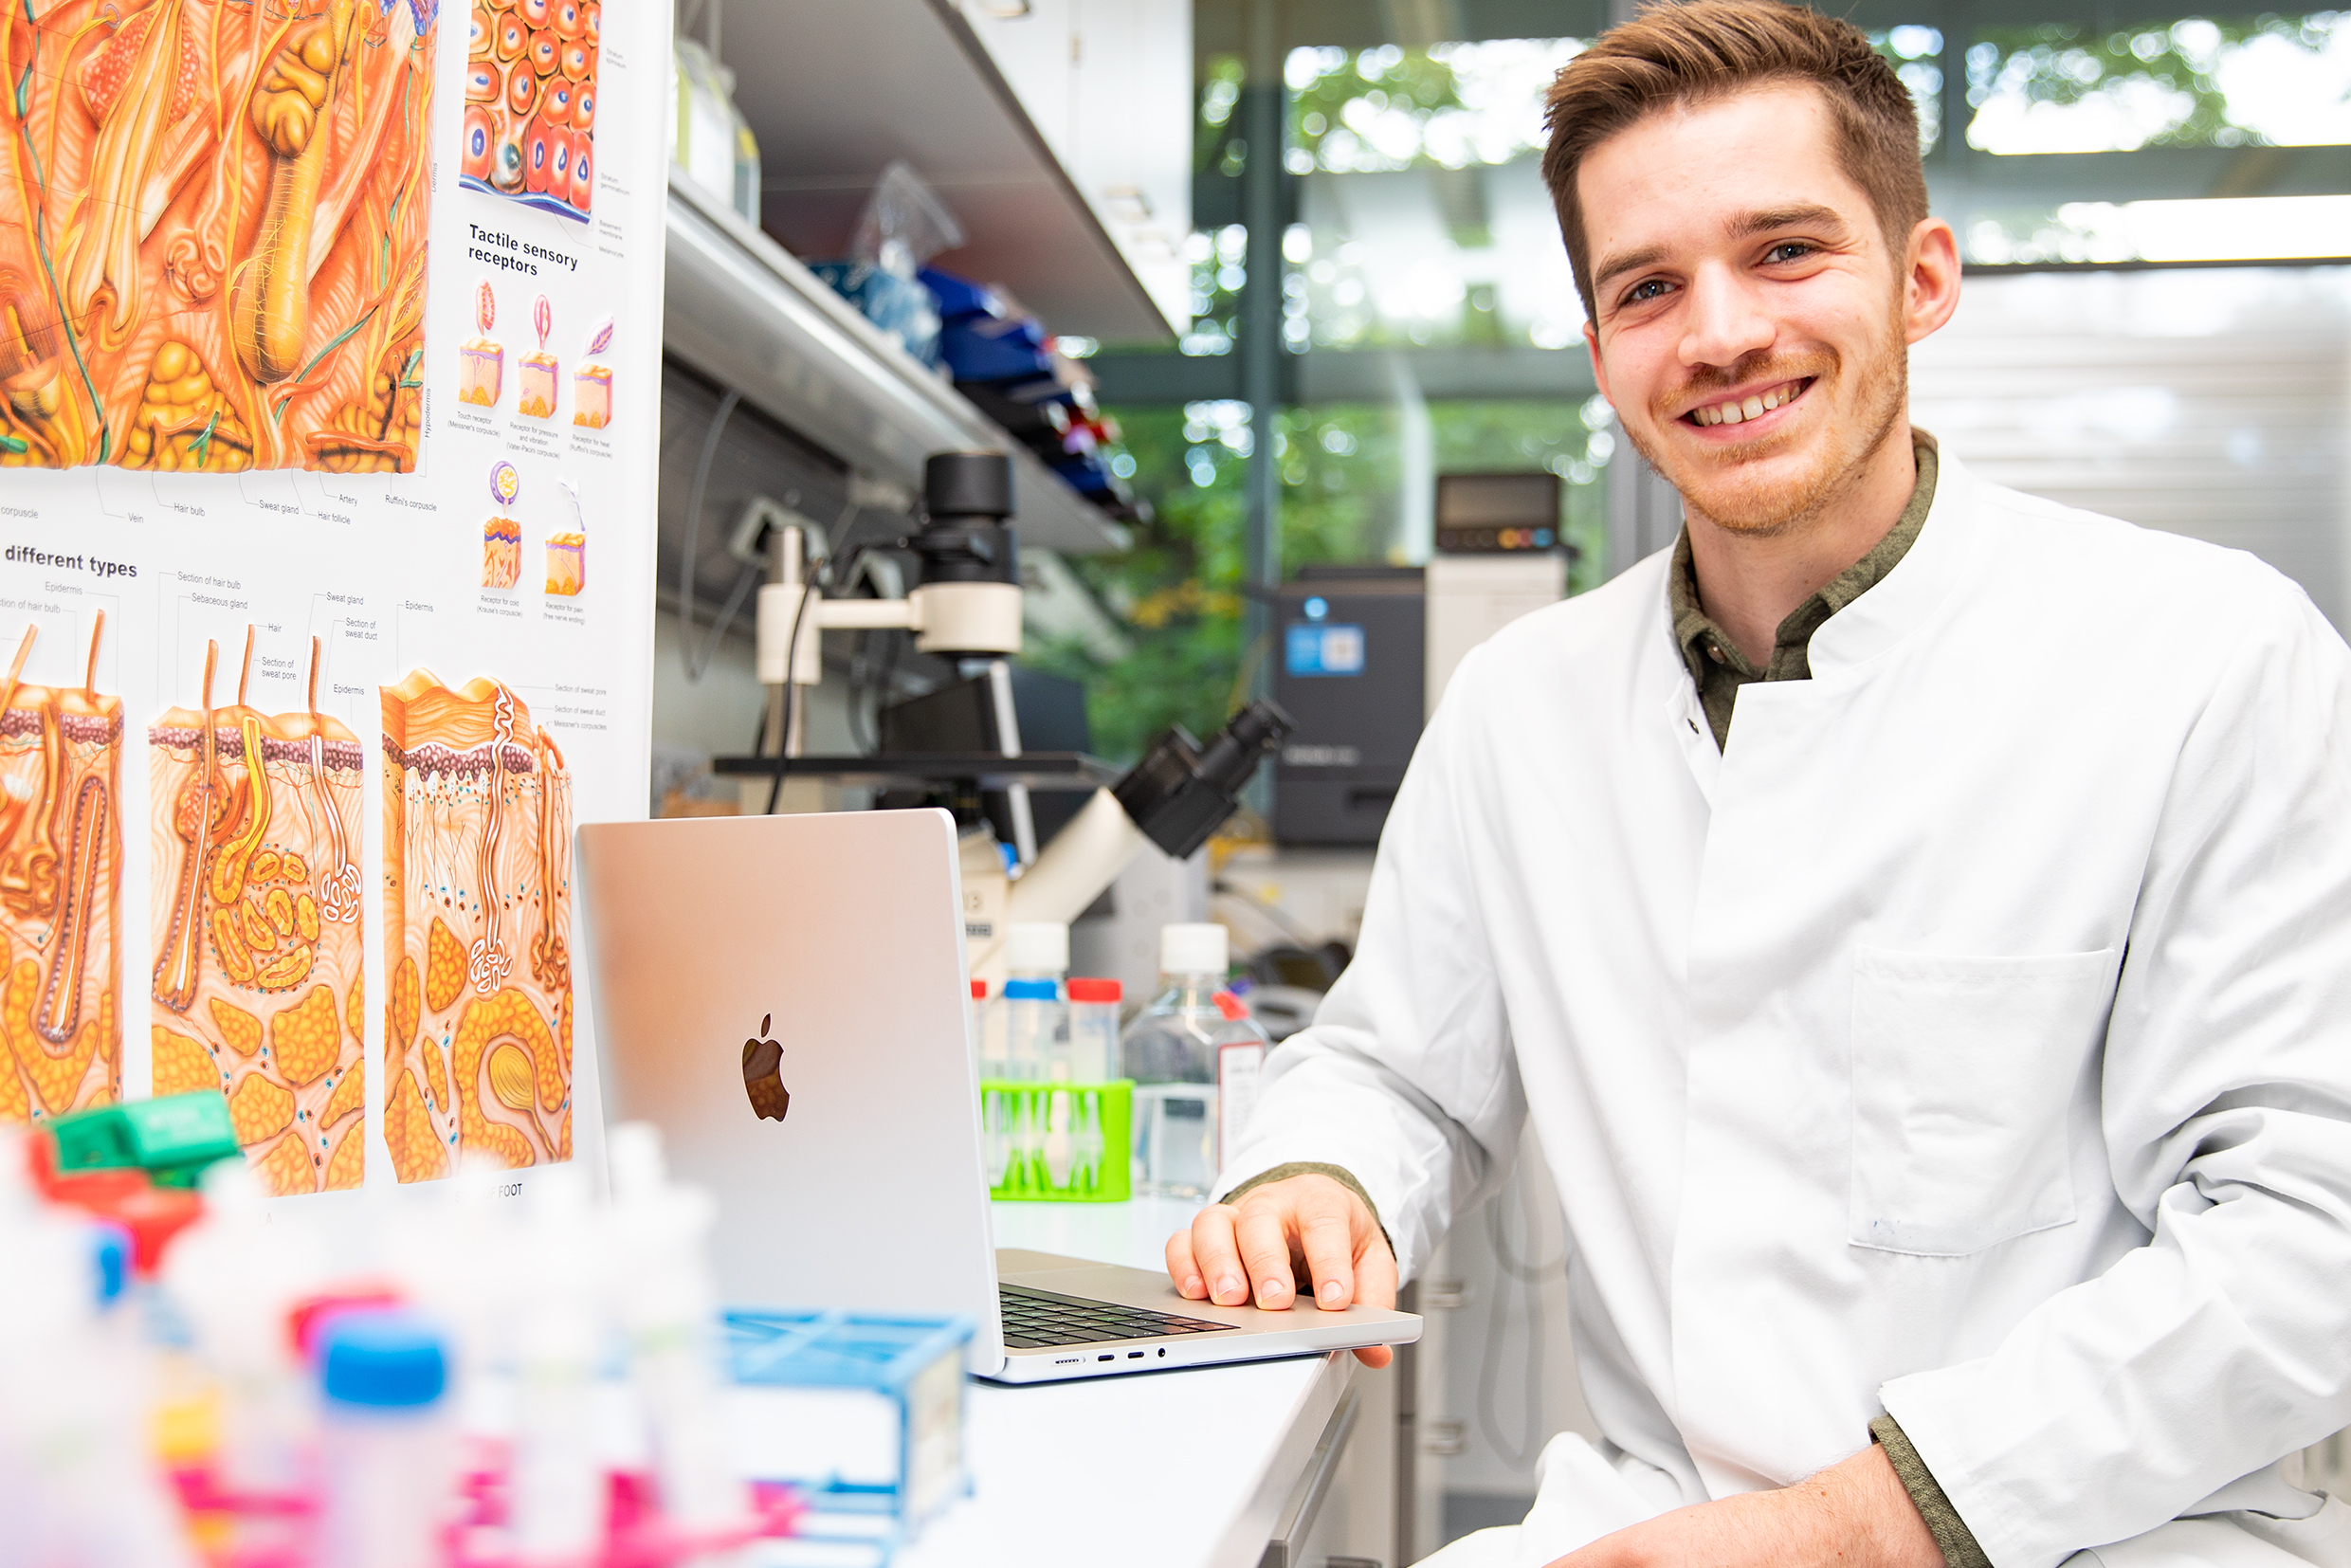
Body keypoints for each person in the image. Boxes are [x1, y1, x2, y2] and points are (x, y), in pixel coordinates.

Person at [1164, 4, 2351, 1566]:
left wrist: (1855, 1527)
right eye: (1647, 287)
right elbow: (1399, 1067)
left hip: (2110, 1531)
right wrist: (1315, 1175)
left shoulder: (2208, 654)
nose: (1717, 333)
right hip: (1655, 1515)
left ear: (1921, 278)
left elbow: (2303, 1239)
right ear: (1600, 353)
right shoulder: (1525, 703)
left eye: (1784, 251)